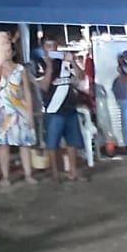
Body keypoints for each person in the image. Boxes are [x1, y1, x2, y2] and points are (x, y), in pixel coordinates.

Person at [0, 38, 38, 186]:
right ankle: (5, 176)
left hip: (19, 109)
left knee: (24, 143)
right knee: (3, 144)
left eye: (9, 51)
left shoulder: (20, 69)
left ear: (13, 52)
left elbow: (27, 91)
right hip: (1, 111)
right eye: (4, 51)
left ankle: (28, 174)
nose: (7, 53)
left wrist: (30, 113)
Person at [38, 42, 83, 181]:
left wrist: (73, 62)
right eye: (48, 46)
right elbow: (44, 87)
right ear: (43, 48)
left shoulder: (65, 62)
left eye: (54, 46)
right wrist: (49, 67)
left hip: (70, 108)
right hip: (53, 109)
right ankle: (55, 173)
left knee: (72, 142)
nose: (52, 49)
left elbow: (81, 77)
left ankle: (73, 171)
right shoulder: (40, 64)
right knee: (52, 143)